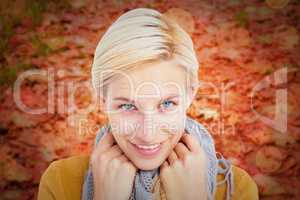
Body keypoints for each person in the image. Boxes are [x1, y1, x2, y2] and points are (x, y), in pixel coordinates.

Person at [38, 8, 259, 200]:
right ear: (102, 99)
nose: (148, 134)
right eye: (127, 106)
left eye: (167, 104)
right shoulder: (61, 182)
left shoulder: (236, 188)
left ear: (191, 94)